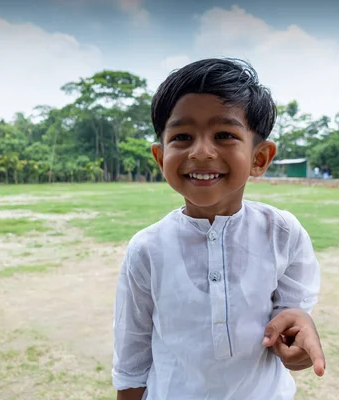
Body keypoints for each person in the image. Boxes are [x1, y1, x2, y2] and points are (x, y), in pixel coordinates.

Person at [112, 58, 325, 400]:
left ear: (260, 158)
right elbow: (131, 356)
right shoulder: (147, 249)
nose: (201, 151)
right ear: (160, 156)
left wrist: (297, 339)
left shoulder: (283, 233)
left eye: (224, 134)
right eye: (182, 136)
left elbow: (290, 318)